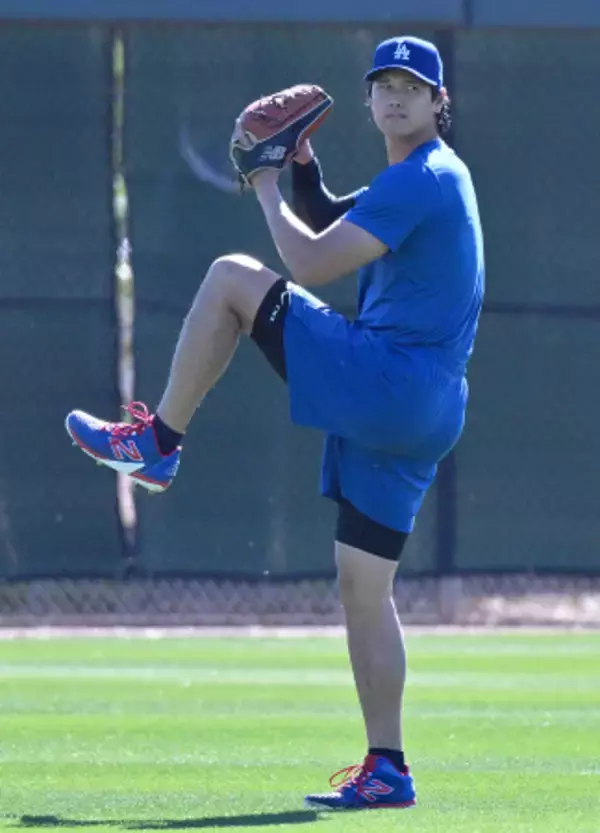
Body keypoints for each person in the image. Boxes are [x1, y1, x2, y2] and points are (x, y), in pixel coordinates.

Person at [65, 35, 484, 810]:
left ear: (437, 104)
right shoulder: (421, 179)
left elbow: (312, 262)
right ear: (368, 101)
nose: (395, 97)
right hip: (424, 407)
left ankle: (155, 442)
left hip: (392, 379)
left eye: (412, 87)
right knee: (365, 586)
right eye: (383, 85)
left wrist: (263, 186)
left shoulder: (423, 175)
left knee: (232, 277)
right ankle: (388, 765)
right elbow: (331, 218)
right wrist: (300, 172)